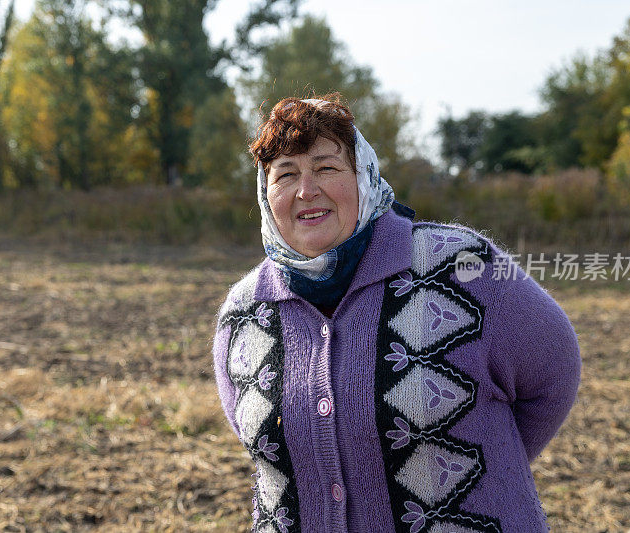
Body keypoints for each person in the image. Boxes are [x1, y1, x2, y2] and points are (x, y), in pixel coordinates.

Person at [212, 94, 581, 533]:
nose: (306, 190)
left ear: (363, 175)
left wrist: (490, 472)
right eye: (285, 174)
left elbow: (554, 372)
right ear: (264, 193)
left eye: (326, 167)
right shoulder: (246, 312)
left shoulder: (461, 266)